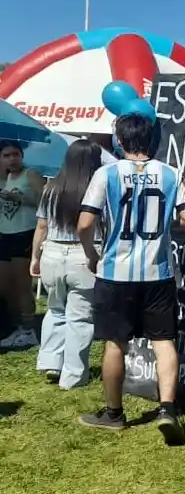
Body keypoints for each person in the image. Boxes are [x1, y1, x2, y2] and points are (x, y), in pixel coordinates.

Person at [76, 114, 185, 445]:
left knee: (115, 343)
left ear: (119, 140)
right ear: (151, 140)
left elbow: (85, 224)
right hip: (158, 273)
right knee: (164, 341)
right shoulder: (172, 173)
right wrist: (162, 227)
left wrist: (91, 254)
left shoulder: (106, 173)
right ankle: (168, 409)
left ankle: (114, 413)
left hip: (116, 272)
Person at [31, 140, 104, 388]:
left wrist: (35, 257)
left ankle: (51, 362)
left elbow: (41, 226)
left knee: (55, 309)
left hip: (52, 251)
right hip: (84, 254)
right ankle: (73, 375)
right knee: (80, 316)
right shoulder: (97, 188)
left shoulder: (51, 187)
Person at [0, 140, 46, 349]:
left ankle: (29, 330)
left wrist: (20, 198)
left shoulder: (31, 174)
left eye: (15, 154)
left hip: (24, 234)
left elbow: (44, 203)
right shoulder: (5, 177)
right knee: (6, 286)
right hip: (5, 234)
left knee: (22, 285)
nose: (12, 159)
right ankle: (17, 327)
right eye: (7, 155)